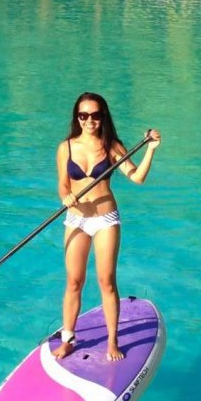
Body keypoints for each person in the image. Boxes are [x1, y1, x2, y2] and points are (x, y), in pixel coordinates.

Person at [53, 92, 161, 361]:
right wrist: (65, 196)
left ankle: (112, 342)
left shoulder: (112, 146)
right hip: (77, 219)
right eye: (84, 115)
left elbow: (137, 178)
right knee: (74, 282)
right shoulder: (65, 148)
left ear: (103, 117)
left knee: (106, 281)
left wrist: (150, 150)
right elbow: (63, 185)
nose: (90, 120)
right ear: (77, 117)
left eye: (96, 115)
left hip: (105, 220)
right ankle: (68, 339)